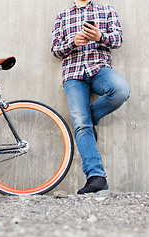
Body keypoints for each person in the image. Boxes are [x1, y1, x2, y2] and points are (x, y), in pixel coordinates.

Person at [51, 0, 130, 194]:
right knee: (81, 124)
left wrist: (99, 36)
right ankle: (96, 177)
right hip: (73, 75)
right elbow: (55, 49)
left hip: (99, 69)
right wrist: (73, 43)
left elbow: (118, 40)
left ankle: (89, 119)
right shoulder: (62, 16)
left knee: (120, 90)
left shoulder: (107, 10)